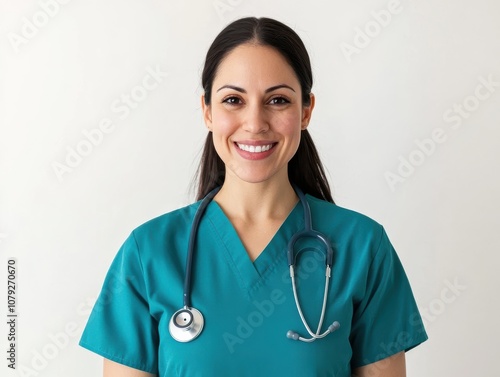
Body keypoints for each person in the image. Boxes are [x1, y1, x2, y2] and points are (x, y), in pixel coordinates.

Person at [79, 16, 428, 377]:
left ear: (306, 111)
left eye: (277, 100)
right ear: (207, 111)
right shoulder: (148, 253)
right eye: (233, 100)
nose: (255, 122)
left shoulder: (363, 248)